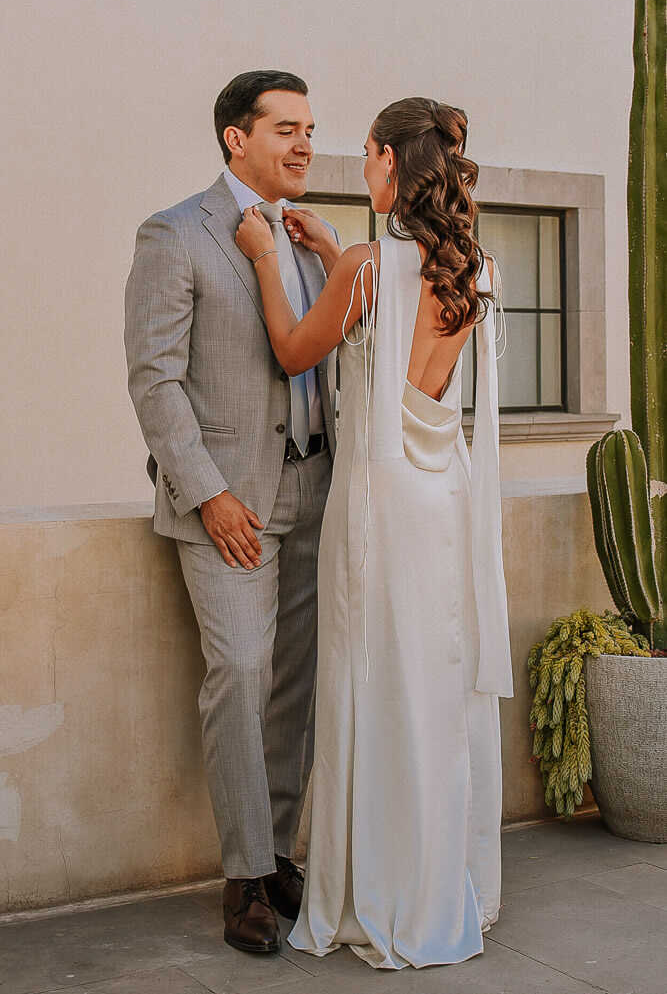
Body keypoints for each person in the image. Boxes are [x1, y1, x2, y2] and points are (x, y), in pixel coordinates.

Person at [235, 96, 514, 969]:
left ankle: (369, 886)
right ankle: (440, 876)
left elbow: (292, 348)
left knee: (369, 682)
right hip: (442, 493)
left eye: (364, 153)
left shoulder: (363, 267)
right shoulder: (476, 268)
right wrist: (332, 253)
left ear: (393, 164)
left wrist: (266, 261)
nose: (356, 167)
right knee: (430, 688)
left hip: (378, 502)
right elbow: (391, 317)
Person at [124, 71, 339, 955]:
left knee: (296, 684)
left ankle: (281, 853)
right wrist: (207, 491)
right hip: (228, 500)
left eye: (310, 129)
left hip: (315, 491)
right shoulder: (175, 233)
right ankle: (246, 872)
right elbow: (154, 378)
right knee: (242, 673)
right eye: (284, 128)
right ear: (233, 138)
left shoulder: (307, 236)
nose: (302, 144)